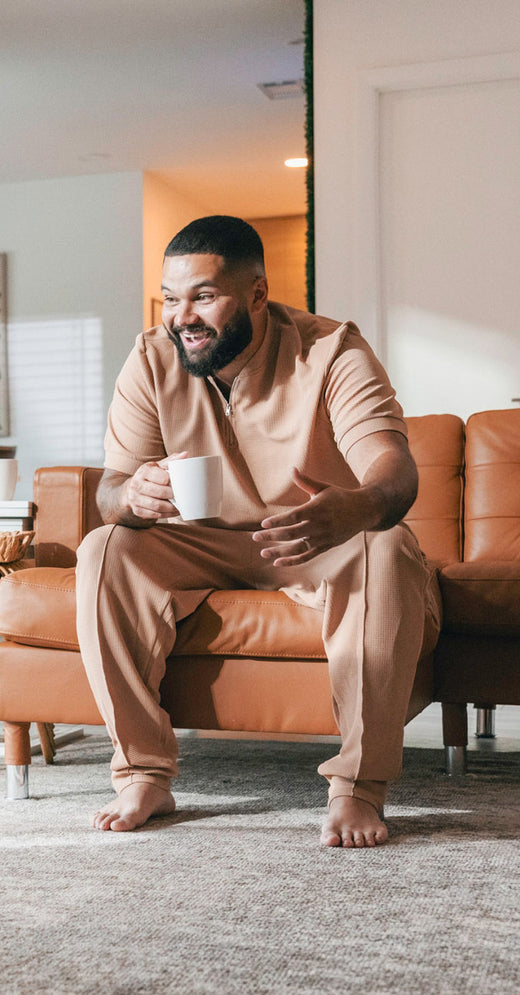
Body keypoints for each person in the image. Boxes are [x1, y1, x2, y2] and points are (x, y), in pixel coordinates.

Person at [77, 216, 440, 847]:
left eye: (204, 296)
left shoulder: (331, 351)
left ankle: (358, 787)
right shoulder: (151, 358)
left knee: (387, 544)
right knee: (105, 546)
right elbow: (110, 490)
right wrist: (132, 495)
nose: (181, 316)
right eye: (170, 297)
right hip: (204, 543)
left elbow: (394, 469)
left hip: (315, 540)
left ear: (257, 295)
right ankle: (143, 773)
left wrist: (352, 509)